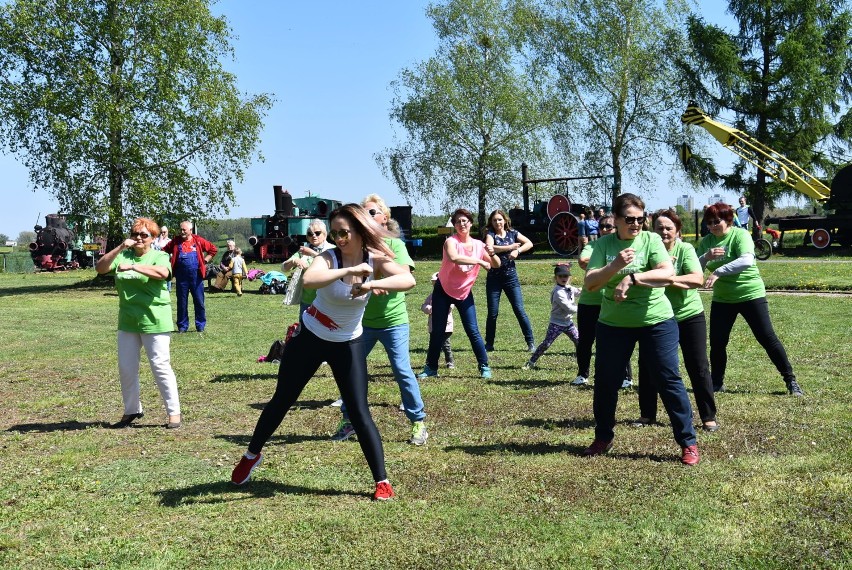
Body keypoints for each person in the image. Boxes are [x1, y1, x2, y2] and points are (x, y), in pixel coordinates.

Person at [231, 204, 416, 501]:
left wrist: (373, 282)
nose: (340, 238)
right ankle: (252, 455)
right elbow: (310, 280)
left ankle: (381, 480)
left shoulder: (374, 258)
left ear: (359, 231)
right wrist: (351, 270)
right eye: (335, 233)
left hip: (348, 342)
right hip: (312, 336)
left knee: (359, 411)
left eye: (345, 232)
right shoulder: (328, 257)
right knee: (282, 399)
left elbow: (408, 280)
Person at [583, 193, 699, 465]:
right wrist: (615, 266)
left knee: (669, 380)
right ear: (616, 219)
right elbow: (590, 284)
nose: (636, 224)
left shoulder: (652, 240)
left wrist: (632, 278)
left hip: (656, 321)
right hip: (613, 324)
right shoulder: (604, 245)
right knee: (606, 383)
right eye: (629, 219)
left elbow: (667, 273)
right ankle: (603, 437)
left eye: (640, 219)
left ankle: (688, 442)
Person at [331, 194, 428, 447]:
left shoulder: (394, 245)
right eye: (365, 213)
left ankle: (418, 422)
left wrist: (378, 283)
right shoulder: (357, 246)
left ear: (385, 218)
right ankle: (348, 419)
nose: (369, 217)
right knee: (350, 371)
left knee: (401, 370)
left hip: (393, 321)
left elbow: (405, 276)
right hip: (362, 322)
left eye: (373, 212)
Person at [696, 202, 803, 396]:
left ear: (728, 220)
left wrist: (719, 271)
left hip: (750, 293)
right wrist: (705, 256)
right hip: (723, 298)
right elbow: (694, 268)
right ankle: (717, 383)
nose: (712, 226)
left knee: (766, 338)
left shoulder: (740, 235)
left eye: (716, 221)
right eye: (709, 222)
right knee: (718, 342)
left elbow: (746, 260)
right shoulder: (707, 242)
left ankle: (791, 381)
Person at [633, 209, 718, 432]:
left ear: (678, 231)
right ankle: (647, 414)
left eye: (669, 228)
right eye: (659, 228)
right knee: (648, 365)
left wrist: (667, 277)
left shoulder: (685, 249)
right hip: (656, 316)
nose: (664, 232)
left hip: (688, 315)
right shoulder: (647, 249)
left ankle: (708, 416)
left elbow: (697, 278)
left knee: (698, 365)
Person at [95, 218, 181, 429]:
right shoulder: (123, 254)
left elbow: (163, 273)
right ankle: (132, 409)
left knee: (160, 366)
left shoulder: (159, 256)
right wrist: (120, 248)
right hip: (128, 321)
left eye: (144, 235)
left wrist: (134, 266)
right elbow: (101, 268)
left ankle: (174, 413)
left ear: (153, 238)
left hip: (155, 320)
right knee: (126, 367)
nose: (139, 238)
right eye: (136, 234)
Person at [418, 208, 500, 379]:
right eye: (458, 222)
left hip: (464, 292)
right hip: (443, 290)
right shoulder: (451, 242)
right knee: (438, 330)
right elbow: (455, 258)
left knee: (473, 330)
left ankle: (484, 366)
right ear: (454, 225)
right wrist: (479, 260)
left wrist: (491, 253)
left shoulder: (479, 245)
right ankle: (431, 367)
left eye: (465, 221)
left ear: (470, 223)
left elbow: (496, 264)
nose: (462, 224)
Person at [573, 215, 633, 388]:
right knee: (585, 341)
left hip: (612, 300)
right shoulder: (593, 245)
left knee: (617, 341)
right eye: (603, 226)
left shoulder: (621, 247)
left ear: (616, 228)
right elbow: (583, 261)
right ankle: (582, 374)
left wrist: (601, 266)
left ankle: (626, 377)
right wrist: (613, 264)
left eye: (610, 226)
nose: (606, 229)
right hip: (589, 301)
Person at [483, 209, 535, 352]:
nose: (497, 222)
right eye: (494, 220)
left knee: (519, 310)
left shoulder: (513, 233)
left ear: (505, 220)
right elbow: (489, 248)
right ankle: (489, 344)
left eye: (500, 219)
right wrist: (510, 247)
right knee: (493, 312)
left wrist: (517, 251)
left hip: (511, 277)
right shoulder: (490, 234)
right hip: (494, 279)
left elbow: (529, 243)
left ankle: (530, 342)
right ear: (491, 223)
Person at [162, 221, 217, 332]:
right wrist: (167, 263)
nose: (181, 232)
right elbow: (163, 251)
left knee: (199, 302)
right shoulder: (176, 241)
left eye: (184, 230)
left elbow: (213, 249)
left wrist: (205, 260)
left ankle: (200, 325)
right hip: (181, 277)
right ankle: (182, 327)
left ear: (190, 230)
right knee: (182, 303)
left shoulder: (198, 240)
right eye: (181, 229)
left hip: (196, 277)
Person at [523, 263, 579, 370]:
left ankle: (581, 359)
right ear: (555, 278)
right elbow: (568, 308)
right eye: (560, 276)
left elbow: (578, 292)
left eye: (566, 276)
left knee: (578, 341)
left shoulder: (569, 288)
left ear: (569, 277)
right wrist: (584, 309)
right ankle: (531, 362)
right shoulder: (558, 292)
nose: (563, 278)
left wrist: (589, 289)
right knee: (546, 344)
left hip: (568, 323)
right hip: (556, 323)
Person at [281, 219, 334, 313]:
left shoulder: (332, 249)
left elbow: (332, 266)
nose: (314, 236)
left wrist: (313, 253)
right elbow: (284, 268)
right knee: (305, 327)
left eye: (317, 233)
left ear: (325, 234)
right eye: (310, 234)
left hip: (327, 300)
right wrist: (294, 261)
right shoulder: (303, 251)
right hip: (307, 300)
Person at [421, 272, 455, 369]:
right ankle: (430, 362)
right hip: (434, 325)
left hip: (446, 326)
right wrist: (428, 308)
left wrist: (439, 307)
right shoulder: (432, 296)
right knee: (433, 344)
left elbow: (451, 306)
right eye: (435, 283)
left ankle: (450, 361)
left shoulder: (449, 295)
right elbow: (424, 305)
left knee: (446, 345)